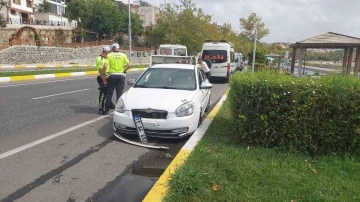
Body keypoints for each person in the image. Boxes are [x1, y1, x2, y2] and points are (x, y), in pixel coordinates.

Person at [101, 43, 131, 113]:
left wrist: (104, 73)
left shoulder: (109, 55)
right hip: (121, 76)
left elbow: (105, 66)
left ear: (112, 48)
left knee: (109, 93)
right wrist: (124, 70)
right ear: (118, 48)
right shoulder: (123, 55)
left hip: (112, 75)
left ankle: (106, 109)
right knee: (119, 94)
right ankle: (118, 110)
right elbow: (129, 65)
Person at [96, 45, 115, 115]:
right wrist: (104, 81)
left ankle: (110, 104)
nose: (109, 53)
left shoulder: (105, 58)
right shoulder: (100, 59)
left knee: (108, 92)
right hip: (102, 78)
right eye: (109, 52)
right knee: (103, 93)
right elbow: (101, 71)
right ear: (106, 51)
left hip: (107, 77)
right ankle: (101, 109)